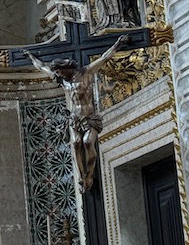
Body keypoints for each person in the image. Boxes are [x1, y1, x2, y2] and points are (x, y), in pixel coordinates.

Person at [24, 36, 126, 192]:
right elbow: (41, 66)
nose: (59, 75)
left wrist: (118, 44)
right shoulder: (62, 80)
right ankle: (80, 178)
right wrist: (31, 56)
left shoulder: (86, 72)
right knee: (75, 143)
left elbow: (104, 58)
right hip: (74, 118)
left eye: (60, 72)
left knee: (87, 142)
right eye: (57, 73)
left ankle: (90, 174)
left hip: (89, 117)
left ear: (65, 68)